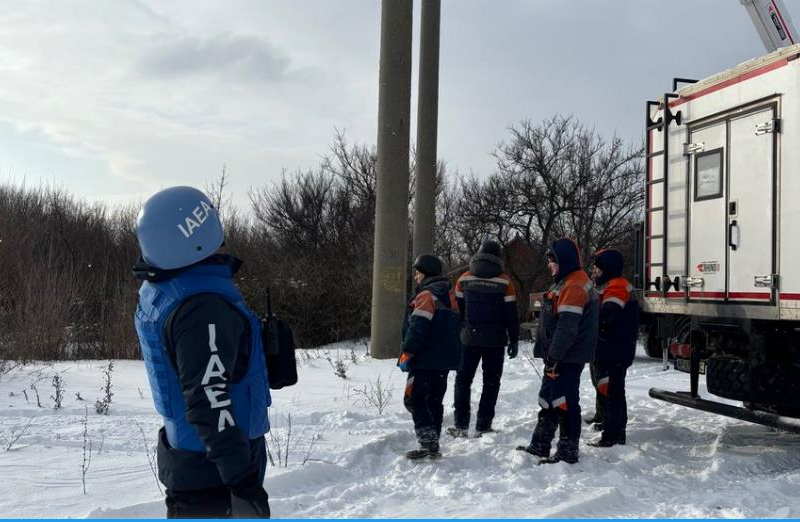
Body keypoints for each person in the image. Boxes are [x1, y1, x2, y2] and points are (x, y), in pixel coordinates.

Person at [133, 186, 271, 518]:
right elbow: (209, 396)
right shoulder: (202, 308)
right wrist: (242, 482)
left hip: (196, 458)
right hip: (216, 470)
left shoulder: (167, 288)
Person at [516, 238, 598, 464]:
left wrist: (554, 357)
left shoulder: (573, 285)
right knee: (549, 398)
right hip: (559, 355)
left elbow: (567, 327)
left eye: (552, 261)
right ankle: (540, 443)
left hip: (566, 357)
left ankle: (567, 450)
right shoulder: (565, 281)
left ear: (564, 260)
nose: (549, 265)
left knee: (563, 401)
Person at [447, 240, 519, 438]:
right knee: (491, 383)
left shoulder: (463, 279)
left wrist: (460, 332)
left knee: (462, 381)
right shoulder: (505, 281)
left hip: (468, 339)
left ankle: (461, 426)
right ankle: (483, 425)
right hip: (495, 342)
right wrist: (514, 339)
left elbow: (457, 311)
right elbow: (511, 314)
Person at [398, 254, 462, 460]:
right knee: (435, 400)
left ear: (425, 273)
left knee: (415, 398)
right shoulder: (449, 294)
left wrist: (407, 352)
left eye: (418, 272)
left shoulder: (426, 295)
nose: (416, 276)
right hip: (444, 360)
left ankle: (428, 440)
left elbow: (418, 328)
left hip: (425, 359)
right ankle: (432, 440)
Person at [587, 248, 639, 447]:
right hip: (606, 348)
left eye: (597, 268)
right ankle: (603, 420)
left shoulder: (617, 286)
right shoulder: (605, 285)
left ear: (607, 268)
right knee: (604, 386)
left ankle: (614, 434)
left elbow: (608, 315)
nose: (594, 271)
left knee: (613, 392)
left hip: (615, 349)